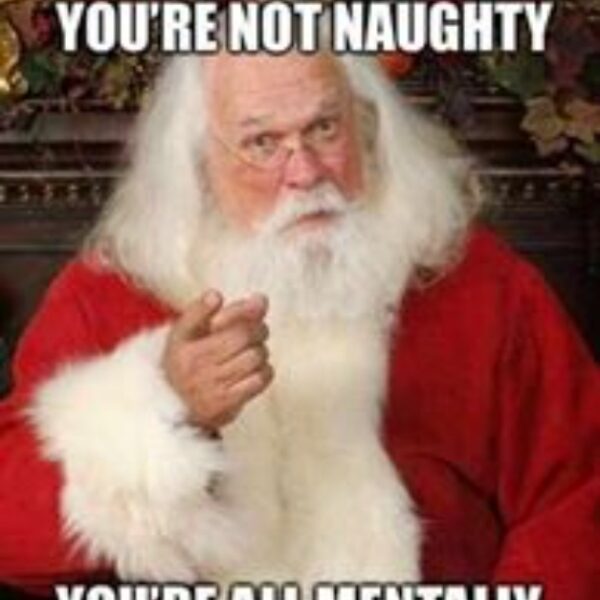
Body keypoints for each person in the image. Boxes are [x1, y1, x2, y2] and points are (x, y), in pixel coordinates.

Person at [1, 38, 599, 599]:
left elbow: (577, 498)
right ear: (198, 164)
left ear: (367, 128)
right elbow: (11, 530)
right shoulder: (109, 294)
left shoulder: (478, 281)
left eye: (324, 128)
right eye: (262, 143)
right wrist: (166, 413)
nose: (306, 172)